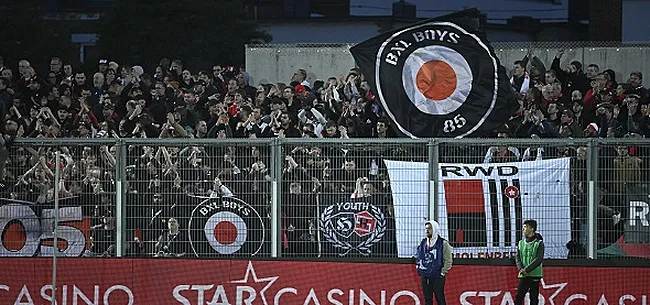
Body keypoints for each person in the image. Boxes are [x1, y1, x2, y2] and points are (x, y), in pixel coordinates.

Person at [415, 220, 452, 305]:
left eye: (430, 228)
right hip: (425, 277)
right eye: (426, 228)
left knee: (440, 299)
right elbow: (418, 256)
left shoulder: (443, 243)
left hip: (437, 277)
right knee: (427, 300)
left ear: (435, 229)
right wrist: (419, 267)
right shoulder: (423, 242)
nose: (427, 230)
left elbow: (448, 260)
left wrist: (442, 273)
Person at [515, 219, 545, 305]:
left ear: (531, 229)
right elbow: (517, 257)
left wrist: (526, 270)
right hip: (523, 275)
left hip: (534, 274)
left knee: (534, 298)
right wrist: (521, 269)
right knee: (519, 296)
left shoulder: (539, 243)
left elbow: (539, 259)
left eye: (525, 227)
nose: (523, 229)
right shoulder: (521, 243)